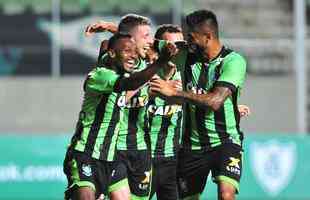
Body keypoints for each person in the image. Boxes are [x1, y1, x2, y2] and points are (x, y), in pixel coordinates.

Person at [63, 32, 177, 200]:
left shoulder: (122, 69)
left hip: (111, 157)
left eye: (134, 51)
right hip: (85, 154)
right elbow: (130, 83)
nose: (132, 55)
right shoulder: (100, 75)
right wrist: (160, 61)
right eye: (126, 51)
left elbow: (106, 45)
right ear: (112, 54)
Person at [149, 10, 247, 200]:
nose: (187, 40)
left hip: (225, 141)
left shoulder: (233, 61)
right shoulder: (185, 54)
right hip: (192, 146)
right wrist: (115, 29)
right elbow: (147, 45)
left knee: (226, 194)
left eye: (191, 37)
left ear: (208, 36)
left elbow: (215, 101)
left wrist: (175, 92)